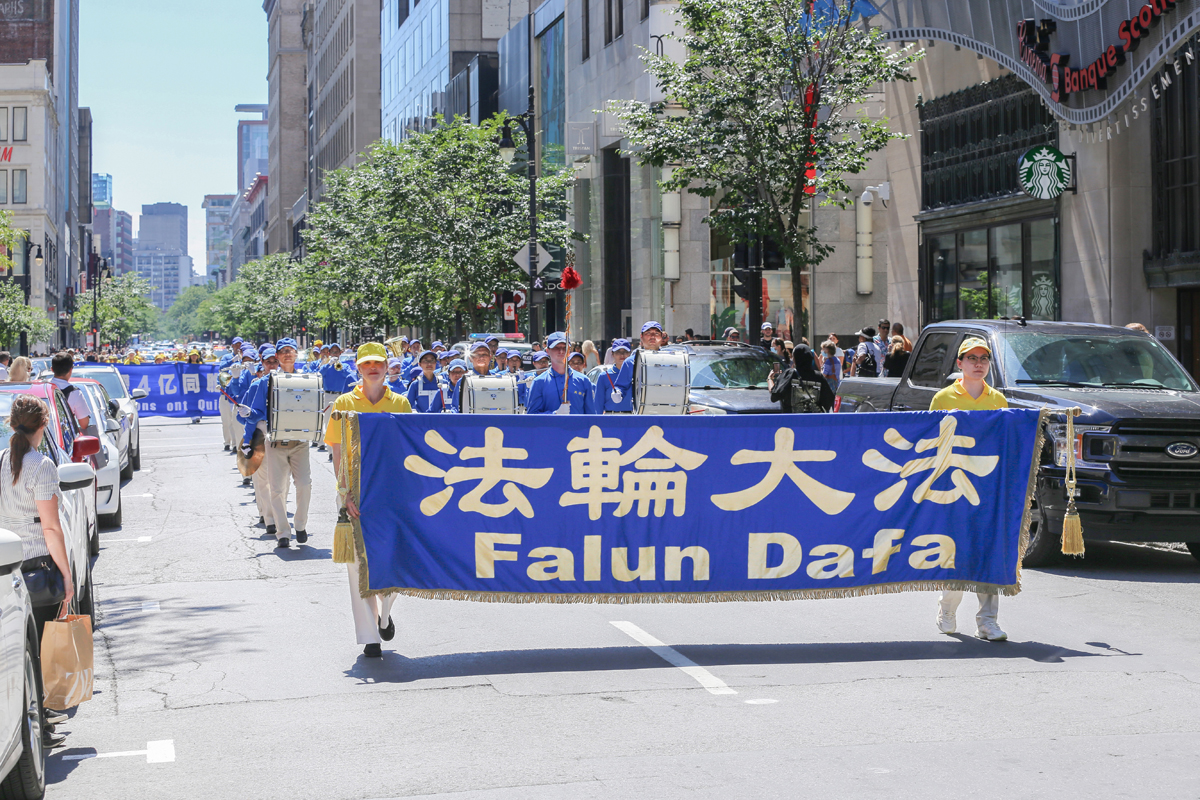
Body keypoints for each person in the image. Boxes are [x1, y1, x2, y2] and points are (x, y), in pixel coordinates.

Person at [325, 342, 413, 658]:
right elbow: (336, 450)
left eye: (378, 363)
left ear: (387, 367)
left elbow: (409, 448)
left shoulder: (401, 403)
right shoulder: (344, 402)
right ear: (358, 368)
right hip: (355, 491)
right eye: (367, 364)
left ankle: (385, 614)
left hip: (392, 491)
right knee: (358, 567)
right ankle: (370, 636)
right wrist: (344, 492)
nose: (373, 368)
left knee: (393, 559)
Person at [2, 395, 74, 747]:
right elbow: (50, 527)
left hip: (8, 566)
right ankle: (41, 724)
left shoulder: (2, 460)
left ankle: (30, 721)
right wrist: (67, 575)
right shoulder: (42, 465)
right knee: (43, 647)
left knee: (19, 651)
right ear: (43, 426)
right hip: (38, 567)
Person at [929, 337, 1008, 642]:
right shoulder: (943, 398)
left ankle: (987, 621)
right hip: (953, 487)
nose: (978, 364)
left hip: (987, 487)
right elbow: (932, 443)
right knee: (957, 550)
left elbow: (1006, 442)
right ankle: (947, 608)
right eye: (972, 358)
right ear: (959, 363)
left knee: (988, 551)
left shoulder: (998, 400)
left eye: (984, 358)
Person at [241, 339, 311, 548]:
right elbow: (257, 412)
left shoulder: (307, 378)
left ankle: (300, 525)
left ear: (296, 354)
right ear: (278, 356)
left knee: (304, 484)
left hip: (300, 441)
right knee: (277, 488)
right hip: (275, 441)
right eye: (283, 351)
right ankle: (283, 532)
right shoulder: (265, 382)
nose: (287, 354)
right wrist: (249, 414)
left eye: (291, 350)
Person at [525, 332, 599, 414]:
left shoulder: (584, 381)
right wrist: (555, 414)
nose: (561, 351)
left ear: (569, 350)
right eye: (556, 347)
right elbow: (532, 416)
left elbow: (591, 416)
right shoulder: (539, 382)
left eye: (565, 347)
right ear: (548, 351)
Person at [769, 344, 834, 412]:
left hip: (792, 418)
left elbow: (774, 396)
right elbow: (828, 401)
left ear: (794, 359)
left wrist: (770, 379)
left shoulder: (789, 374)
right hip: (813, 418)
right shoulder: (819, 377)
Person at [48, 352, 90, 430]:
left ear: (52, 369)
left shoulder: (42, 388)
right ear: (71, 370)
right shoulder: (75, 393)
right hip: (64, 435)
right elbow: (84, 424)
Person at [596, 339, 633, 413]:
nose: (622, 355)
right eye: (618, 352)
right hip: (611, 417)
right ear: (613, 354)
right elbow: (598, 404)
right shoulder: (604, 376)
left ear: (630, 354)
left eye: (625, 352)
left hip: (633, 417)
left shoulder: (636, 374)